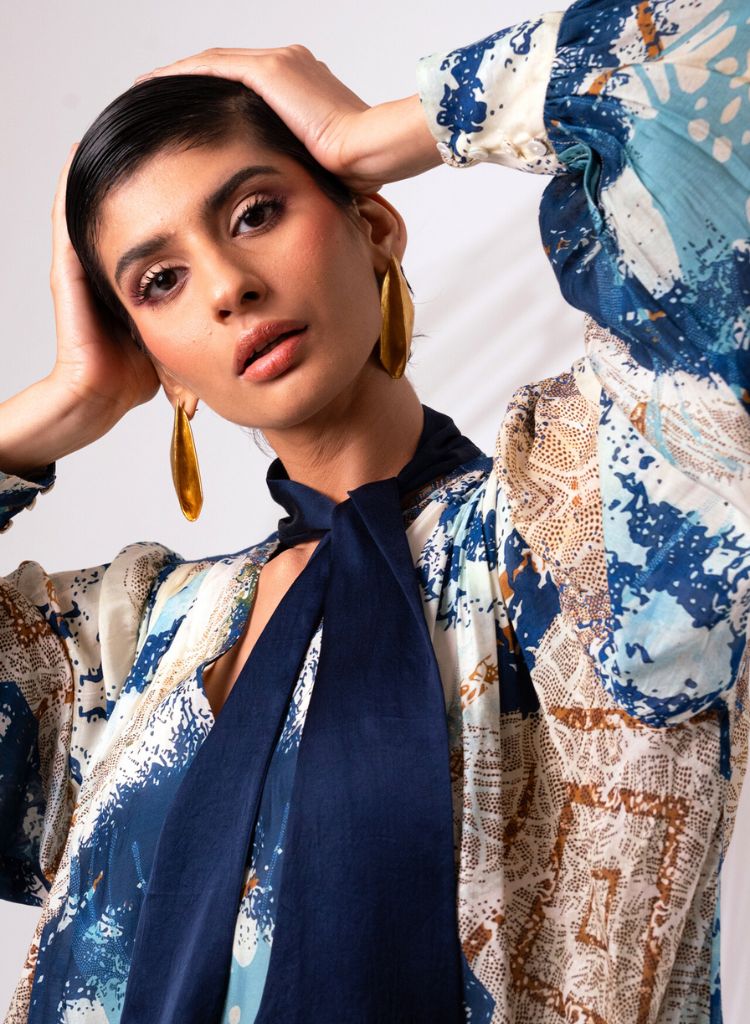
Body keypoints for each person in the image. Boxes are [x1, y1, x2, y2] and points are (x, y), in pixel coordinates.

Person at [1, 0, 748, 1020]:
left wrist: (391, 129)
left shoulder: (589, 518)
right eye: (161, 281)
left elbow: (709, 60)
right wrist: (58, 405)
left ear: (374, 226)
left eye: (255, 212)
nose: (226, 286)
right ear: (157, 362)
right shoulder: (120, 654)